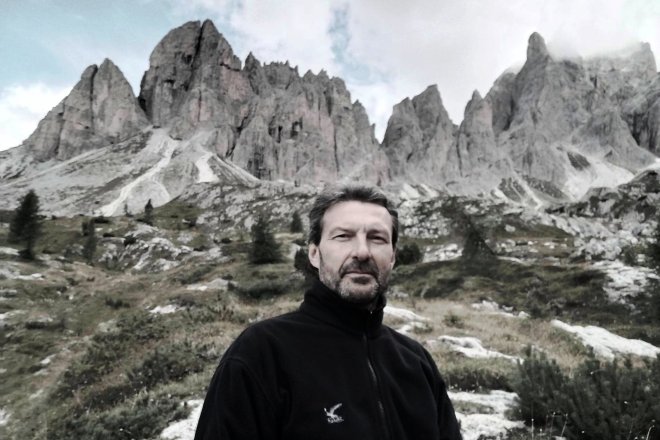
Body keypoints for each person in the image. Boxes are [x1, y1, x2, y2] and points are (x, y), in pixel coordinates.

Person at [194, 185, 462, 440]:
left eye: (377, 238)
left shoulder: (416, 361)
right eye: (343, 236)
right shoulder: (261, 352)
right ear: (314, 254)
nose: (362, 252)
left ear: (392, 257)